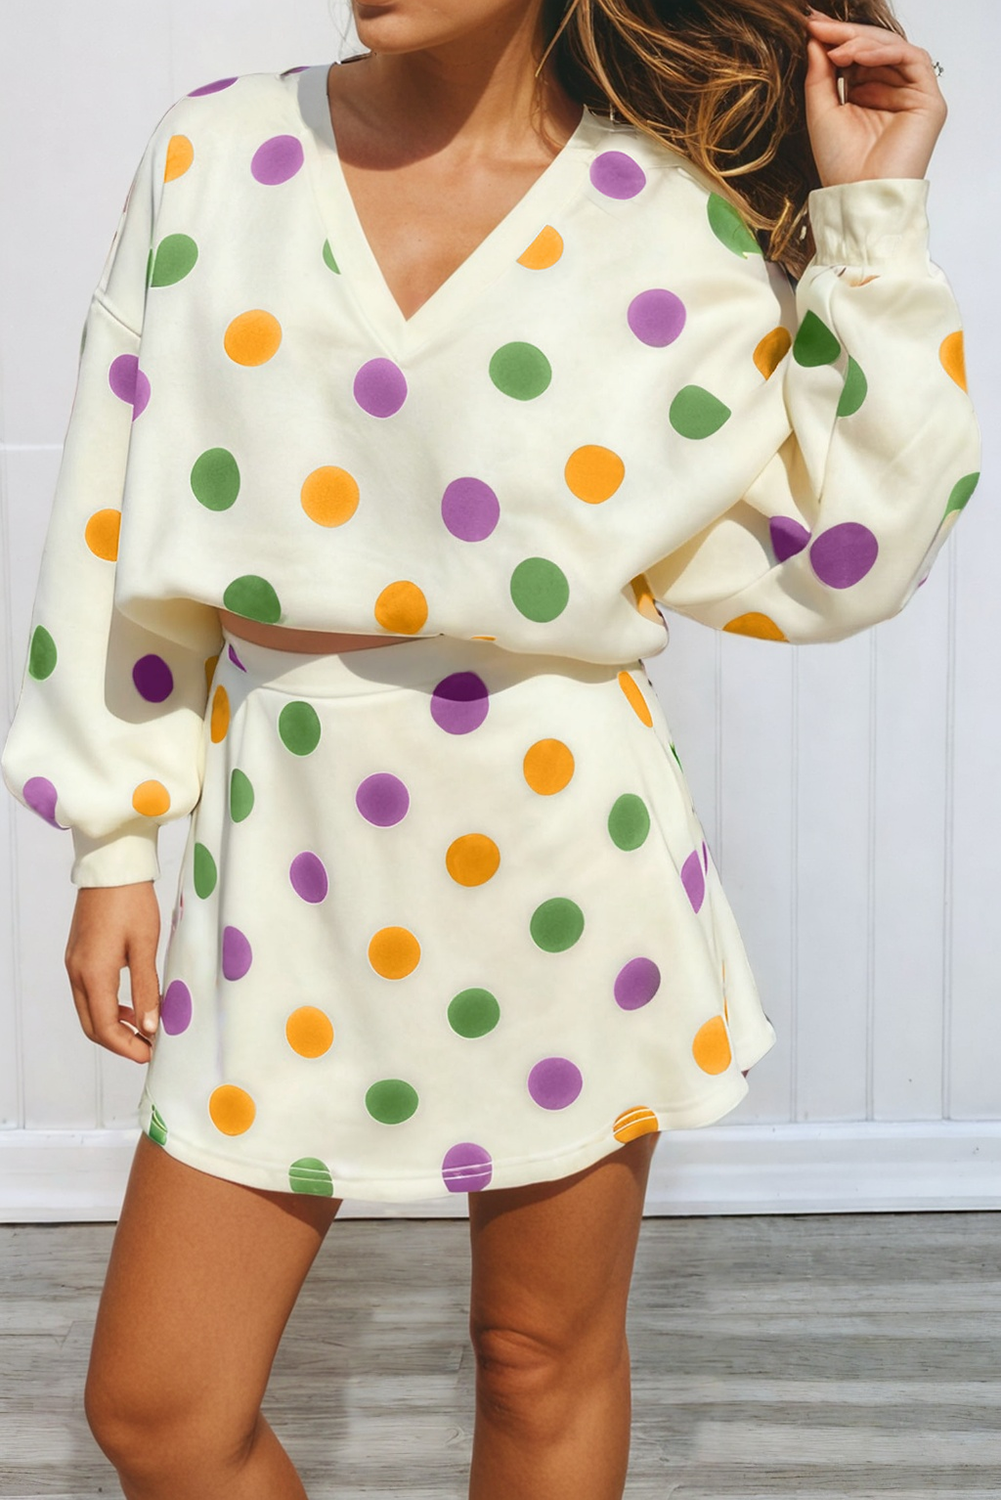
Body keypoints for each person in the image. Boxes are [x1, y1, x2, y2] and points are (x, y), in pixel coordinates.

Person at [1, 0, 980, 1494]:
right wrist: (112, 835)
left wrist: (872, 217)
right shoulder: (215, 152)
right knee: (160, 1410)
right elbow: (113, 506)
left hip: (562, 847)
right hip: (285, 861)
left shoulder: (668, 216)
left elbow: (842, 556)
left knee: (537, 1356)